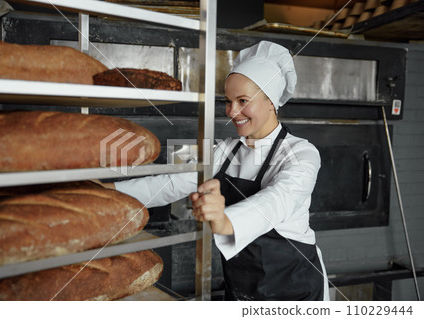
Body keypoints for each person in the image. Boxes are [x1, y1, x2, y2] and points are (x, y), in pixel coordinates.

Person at [110, 41, 329, 301]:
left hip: (295, 292)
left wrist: (225, 221)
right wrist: (107, 194)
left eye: (243, 101)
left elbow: (276, 202)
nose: (232, 112)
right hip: (241, 291)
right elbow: (171, 182)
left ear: (271, 102)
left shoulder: (302, 153)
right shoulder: (223, 150)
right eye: (228, 101)